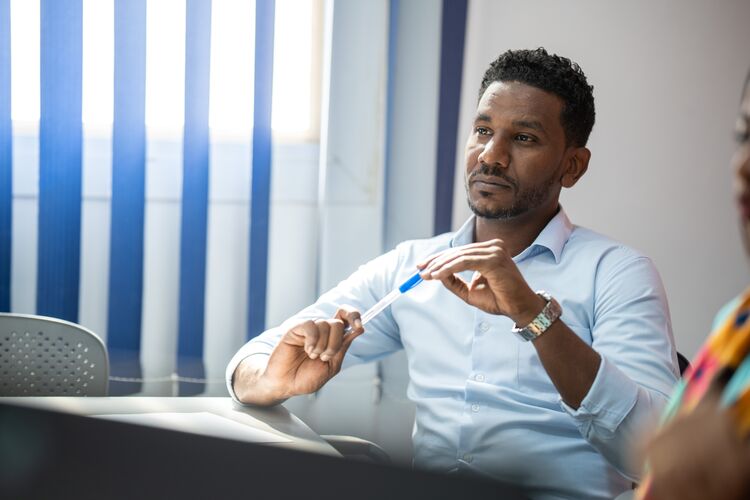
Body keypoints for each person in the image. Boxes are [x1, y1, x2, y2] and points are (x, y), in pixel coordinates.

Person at [227, 48, 679, 500]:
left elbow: (659, 454)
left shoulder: (619, 274)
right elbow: (255, 357)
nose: (492, 156)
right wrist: (270, 380)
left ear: (572, 166)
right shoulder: (414, 267)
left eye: (523, 139)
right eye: (483, 130)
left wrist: (533, 315)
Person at [636, 71, 750, 500]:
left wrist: (535, 319)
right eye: (744, 135)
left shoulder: (623, 272)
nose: (743, 164)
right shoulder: (737, 320)